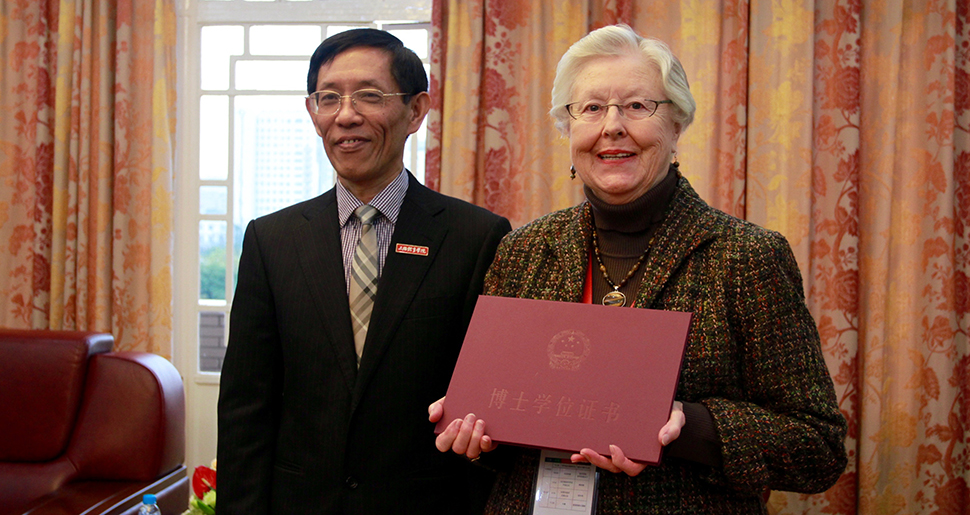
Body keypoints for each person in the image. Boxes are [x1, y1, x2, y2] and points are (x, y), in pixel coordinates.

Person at [430, 24, 847, 513]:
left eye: (637, 106)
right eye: (591, 108)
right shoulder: (522, 249)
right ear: (568, 129)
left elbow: (818, 448)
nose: (612, 126)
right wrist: (480, 434)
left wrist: (689, 427)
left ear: (676, 126)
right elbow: (508, 418)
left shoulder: (746, 255)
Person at [218, 28, 511, 515]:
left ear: (416, 111)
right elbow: (247, 408)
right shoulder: (272, 240)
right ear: (313, 114)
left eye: (369, 96)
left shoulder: (476, 237)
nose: (345, 115)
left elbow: (489, 397)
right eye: (328, 98)